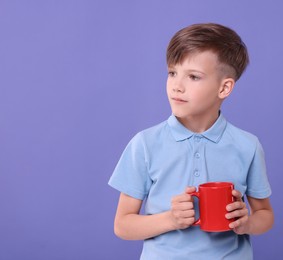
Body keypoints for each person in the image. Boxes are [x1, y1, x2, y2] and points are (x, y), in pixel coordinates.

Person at [108, 23, 273, 259]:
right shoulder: (145, 144)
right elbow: (122, 225)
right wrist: (171, 219)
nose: (177, 85)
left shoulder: (247, 146)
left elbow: (265, 214)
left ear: (224, 87)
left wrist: (246, 223)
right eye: (172, 73)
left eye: (193, 76)